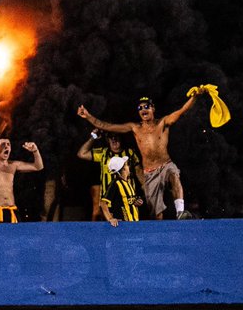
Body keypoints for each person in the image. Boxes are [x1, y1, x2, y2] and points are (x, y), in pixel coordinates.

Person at [77, 91, 207, 219]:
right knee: (157, 213)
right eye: (140, 108)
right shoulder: (135, 128)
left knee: (173, 175)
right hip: (149, 172)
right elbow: (107, 126)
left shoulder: (163, 122)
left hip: (166, 164)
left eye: (146, 107)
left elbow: (182, 111)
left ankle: (180, 212)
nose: (143, 109)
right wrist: (88, 116)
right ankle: (158, 236)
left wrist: (194, 97)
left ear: (153, 109)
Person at [77, 131, 141, 221]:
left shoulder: (129, 152)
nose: (114, 139)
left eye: (116, 137)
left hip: (128, 200)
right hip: (109, 201)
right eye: (111, 137)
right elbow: (81, 154)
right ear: (107, 139)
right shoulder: (103, 152)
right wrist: (93, 136)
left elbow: (139, 172)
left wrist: (144, 189)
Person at [101, 154, 143, 226]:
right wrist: (110, 219)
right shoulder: (115, 184)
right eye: (127, 165)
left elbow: (126, 202)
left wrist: (135, 203)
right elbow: (103, 203)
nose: (128, 167)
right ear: (123, 169)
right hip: (123, 226)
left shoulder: (128, 183)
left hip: (133, 224)